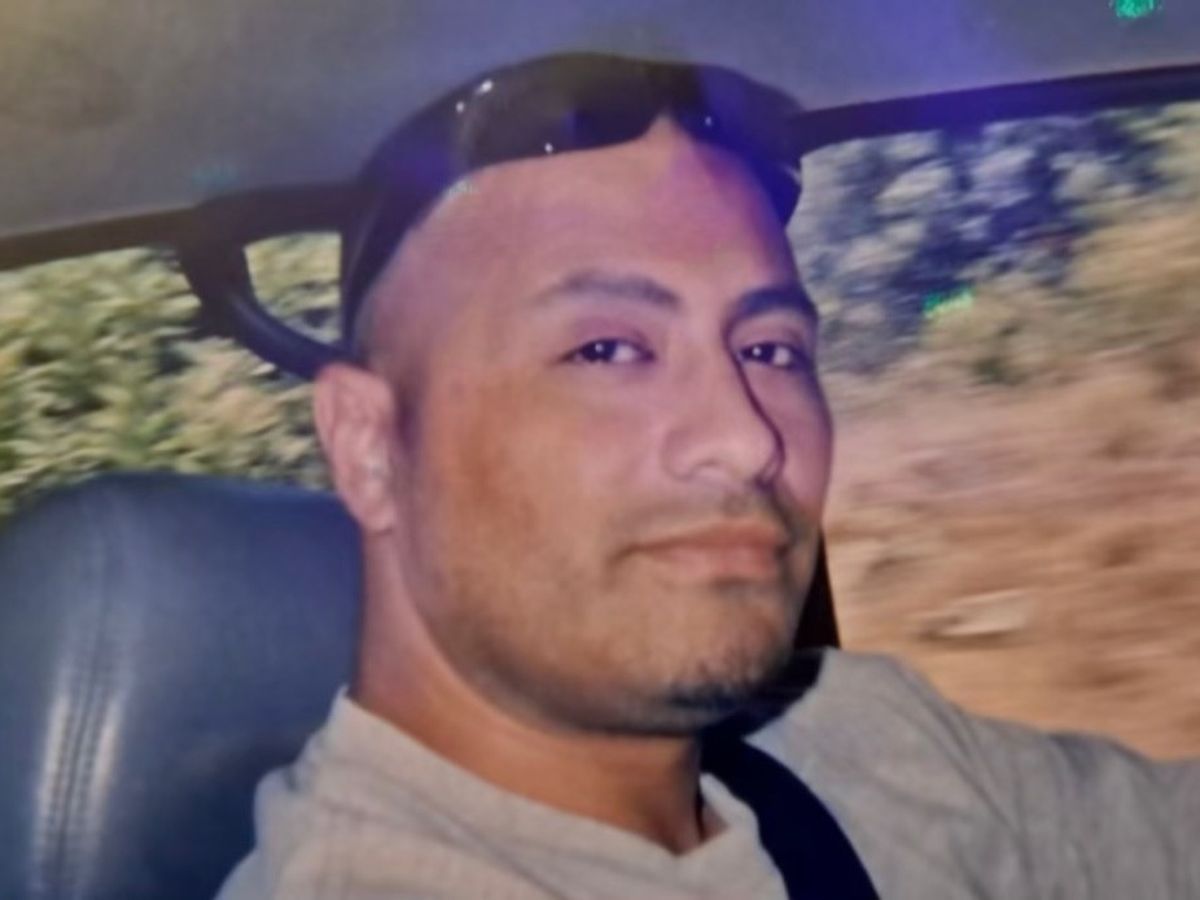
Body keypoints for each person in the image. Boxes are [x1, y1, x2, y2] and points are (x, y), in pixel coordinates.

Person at [216, 53, 1199, 899]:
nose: (746, 438)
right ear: (368, 447)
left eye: (770, 350)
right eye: (606, 349)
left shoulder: (862, 736)